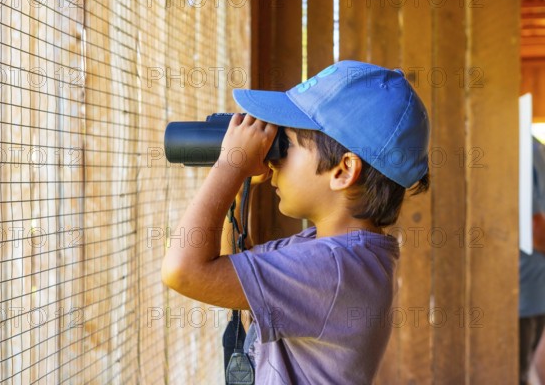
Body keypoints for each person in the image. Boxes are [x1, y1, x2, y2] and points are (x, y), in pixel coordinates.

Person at [161, 60, 430, 384]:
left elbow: (183, 271)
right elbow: (230, 268)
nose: (273, 161)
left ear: (343, 171)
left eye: (285, 145)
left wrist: (231, 166)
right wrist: (235, 191)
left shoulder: (334, 269)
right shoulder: (334, 253)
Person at [519, 137, 545, 385]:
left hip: (530, 290)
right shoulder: (529, 148)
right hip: (525, 289)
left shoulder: (532, 147)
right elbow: (534, 226)